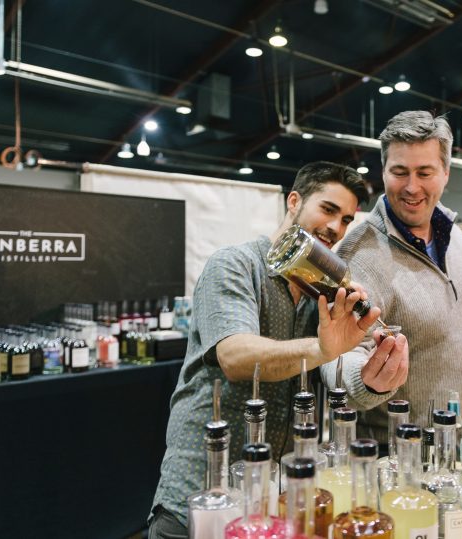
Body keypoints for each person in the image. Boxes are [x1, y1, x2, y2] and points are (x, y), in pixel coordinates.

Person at [149, 161, 400, 538]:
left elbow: (337, 369)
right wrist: (322, 347)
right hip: (201, 497)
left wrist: (372, 379)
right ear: (294, 201)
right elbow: (235, 357)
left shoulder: (324, 294)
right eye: (328, 209)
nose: (336, 228)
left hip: (273, 506)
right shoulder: (234, 265)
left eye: (346, 219)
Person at [319, 110, 462, 444]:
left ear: (446, 173)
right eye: (400, 172)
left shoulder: (456, 237)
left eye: (424, 172)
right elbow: (334, 357)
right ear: (383, 172)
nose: (412, 187)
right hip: (394, 453)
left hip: (461, 437)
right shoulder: (356, 256)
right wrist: (367, 382)